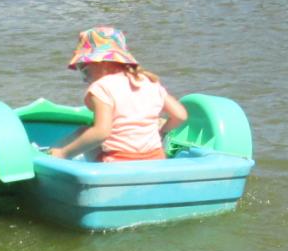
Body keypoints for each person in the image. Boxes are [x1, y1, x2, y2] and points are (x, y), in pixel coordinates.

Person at [48, 27, 187, 164]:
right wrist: (160, 133)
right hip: (155, 159)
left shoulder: (102, 87)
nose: (85, 79)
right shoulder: (149, 82)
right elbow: (180, 115)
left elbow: (101, 132)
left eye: (84, 70)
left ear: (102, 63)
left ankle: (57, 153)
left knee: (85, 131)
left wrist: (64, 152)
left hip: (118, 161)